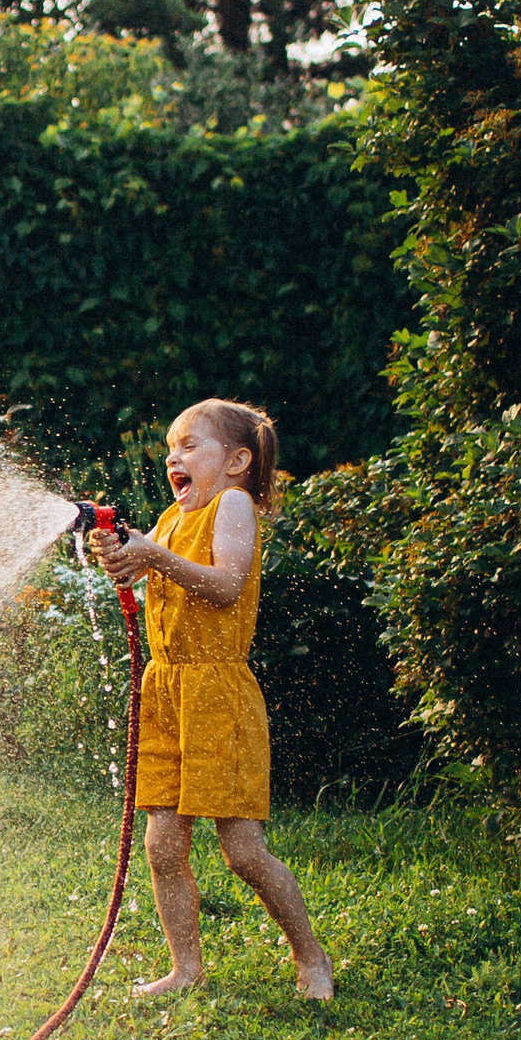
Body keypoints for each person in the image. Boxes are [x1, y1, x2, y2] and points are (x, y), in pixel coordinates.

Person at [93, 400, 335, 1001]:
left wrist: (152, 555)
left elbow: (226, 585)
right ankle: (186, 969)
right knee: (162, 845)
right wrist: (121, 553)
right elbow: (139, 569)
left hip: (217, 694)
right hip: (166, 691)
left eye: (189, 445)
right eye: (170, 449)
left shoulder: (233, 505)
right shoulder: (172, 518)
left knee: (243, 852)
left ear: (236, 461)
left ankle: (311, 956)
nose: (173, 458)